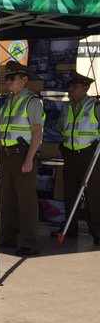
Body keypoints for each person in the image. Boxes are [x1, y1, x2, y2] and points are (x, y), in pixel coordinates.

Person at [0, 61, 44, 255]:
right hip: (6, 155)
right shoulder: (8, 101)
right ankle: (8, 238)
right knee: (6, 200)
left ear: (24, 79)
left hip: (22, 154)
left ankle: (29, 243)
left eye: (12, 78)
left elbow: (37, 133)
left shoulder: (31, 102)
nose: (8, 81)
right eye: (6, 78)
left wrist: (29, 160)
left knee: (26, 202)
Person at [57, 71, 100, 243]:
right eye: (70, 86)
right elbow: (61, 127)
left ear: (85, 88)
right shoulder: (67, 106)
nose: (71, 89)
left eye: (75, 86)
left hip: (89, 154)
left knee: (93, 195)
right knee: (69, 193)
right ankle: (70, 228)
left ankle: (97, 230)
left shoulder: (94, 106)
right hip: (69, 153)